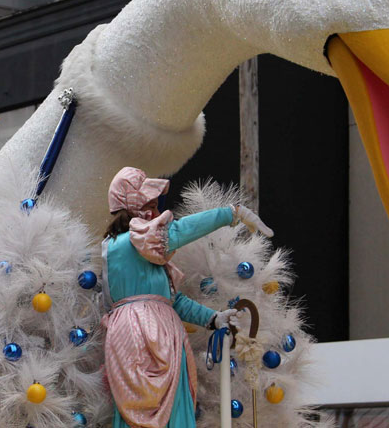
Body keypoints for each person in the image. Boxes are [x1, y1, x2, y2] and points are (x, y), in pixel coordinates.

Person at [100, 167, 273, 428]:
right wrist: (231, 213)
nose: (156, 209)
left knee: (158, 411)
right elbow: (179, 231)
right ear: (134, 206)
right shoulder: (134, 241)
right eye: (149, 203)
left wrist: (213, 318)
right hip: (145, 335)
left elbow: (170, 300)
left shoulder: (137, 249)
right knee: (160, 412)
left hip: (146, 334)